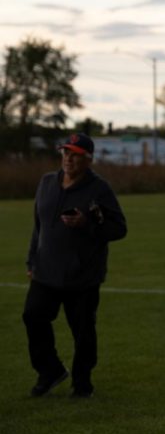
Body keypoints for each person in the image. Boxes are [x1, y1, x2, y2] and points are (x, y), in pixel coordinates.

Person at [23, 133, 128, 398]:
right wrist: (32, 259)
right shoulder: (47, 182)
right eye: (65, 152)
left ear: (88, 159)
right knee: (33, 317)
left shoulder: (99, 189)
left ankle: (82, 383)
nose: (68, 158)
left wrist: (87, 225)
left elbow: (119, 229)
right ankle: (50, 371)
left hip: (82, 275)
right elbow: (39, 226)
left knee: (82, 332)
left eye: (75, 154)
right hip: (46, 270)